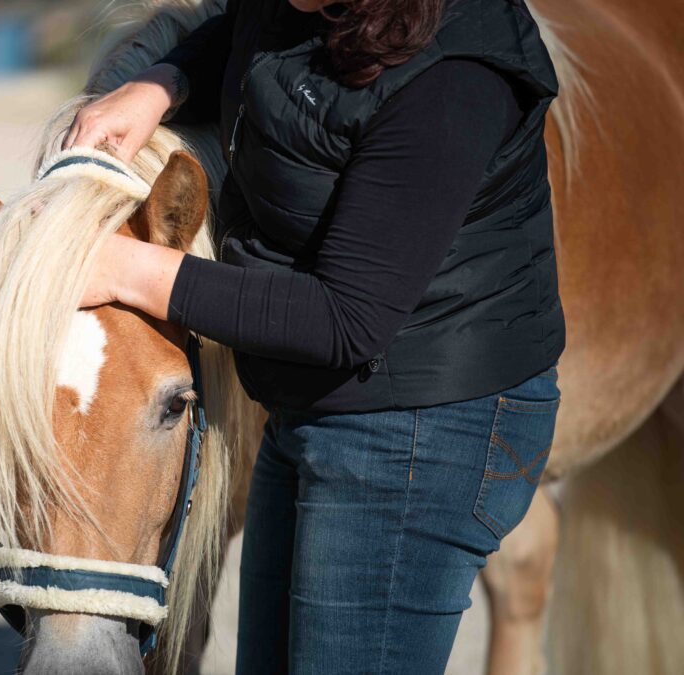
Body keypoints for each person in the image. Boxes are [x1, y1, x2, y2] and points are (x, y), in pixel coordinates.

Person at [68, 0, 564, 672]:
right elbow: (242, 26)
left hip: (419, 426)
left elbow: (344, 318)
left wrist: (134, 269)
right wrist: (159, 83)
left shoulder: (457, 74)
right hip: (314, 400)